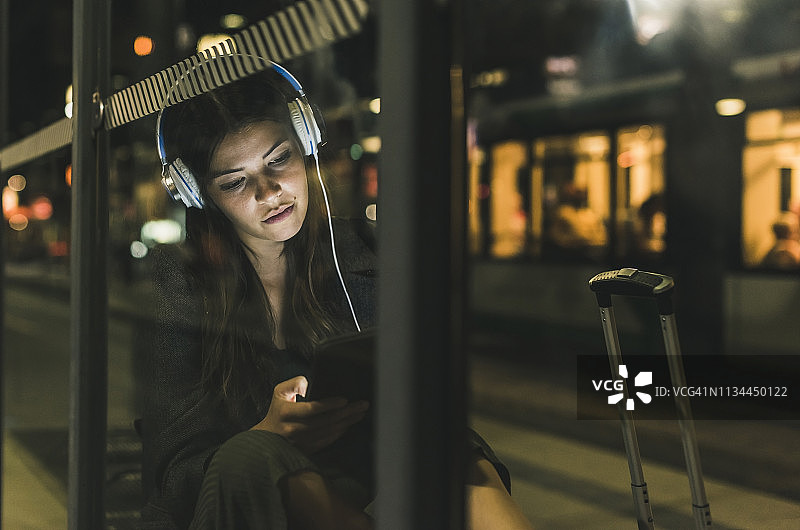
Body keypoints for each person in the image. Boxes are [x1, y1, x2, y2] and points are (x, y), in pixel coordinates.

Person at [139, 57, 533, 530]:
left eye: (279, 159)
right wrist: (270, 434)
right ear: (200, 194)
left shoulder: (364, 255)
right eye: (236, 181)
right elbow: (172, 475)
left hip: (349, 487)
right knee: (251, 454)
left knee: (442, 434)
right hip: (242, 506)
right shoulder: (186, 289)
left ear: (305, 145)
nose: (270, 192)